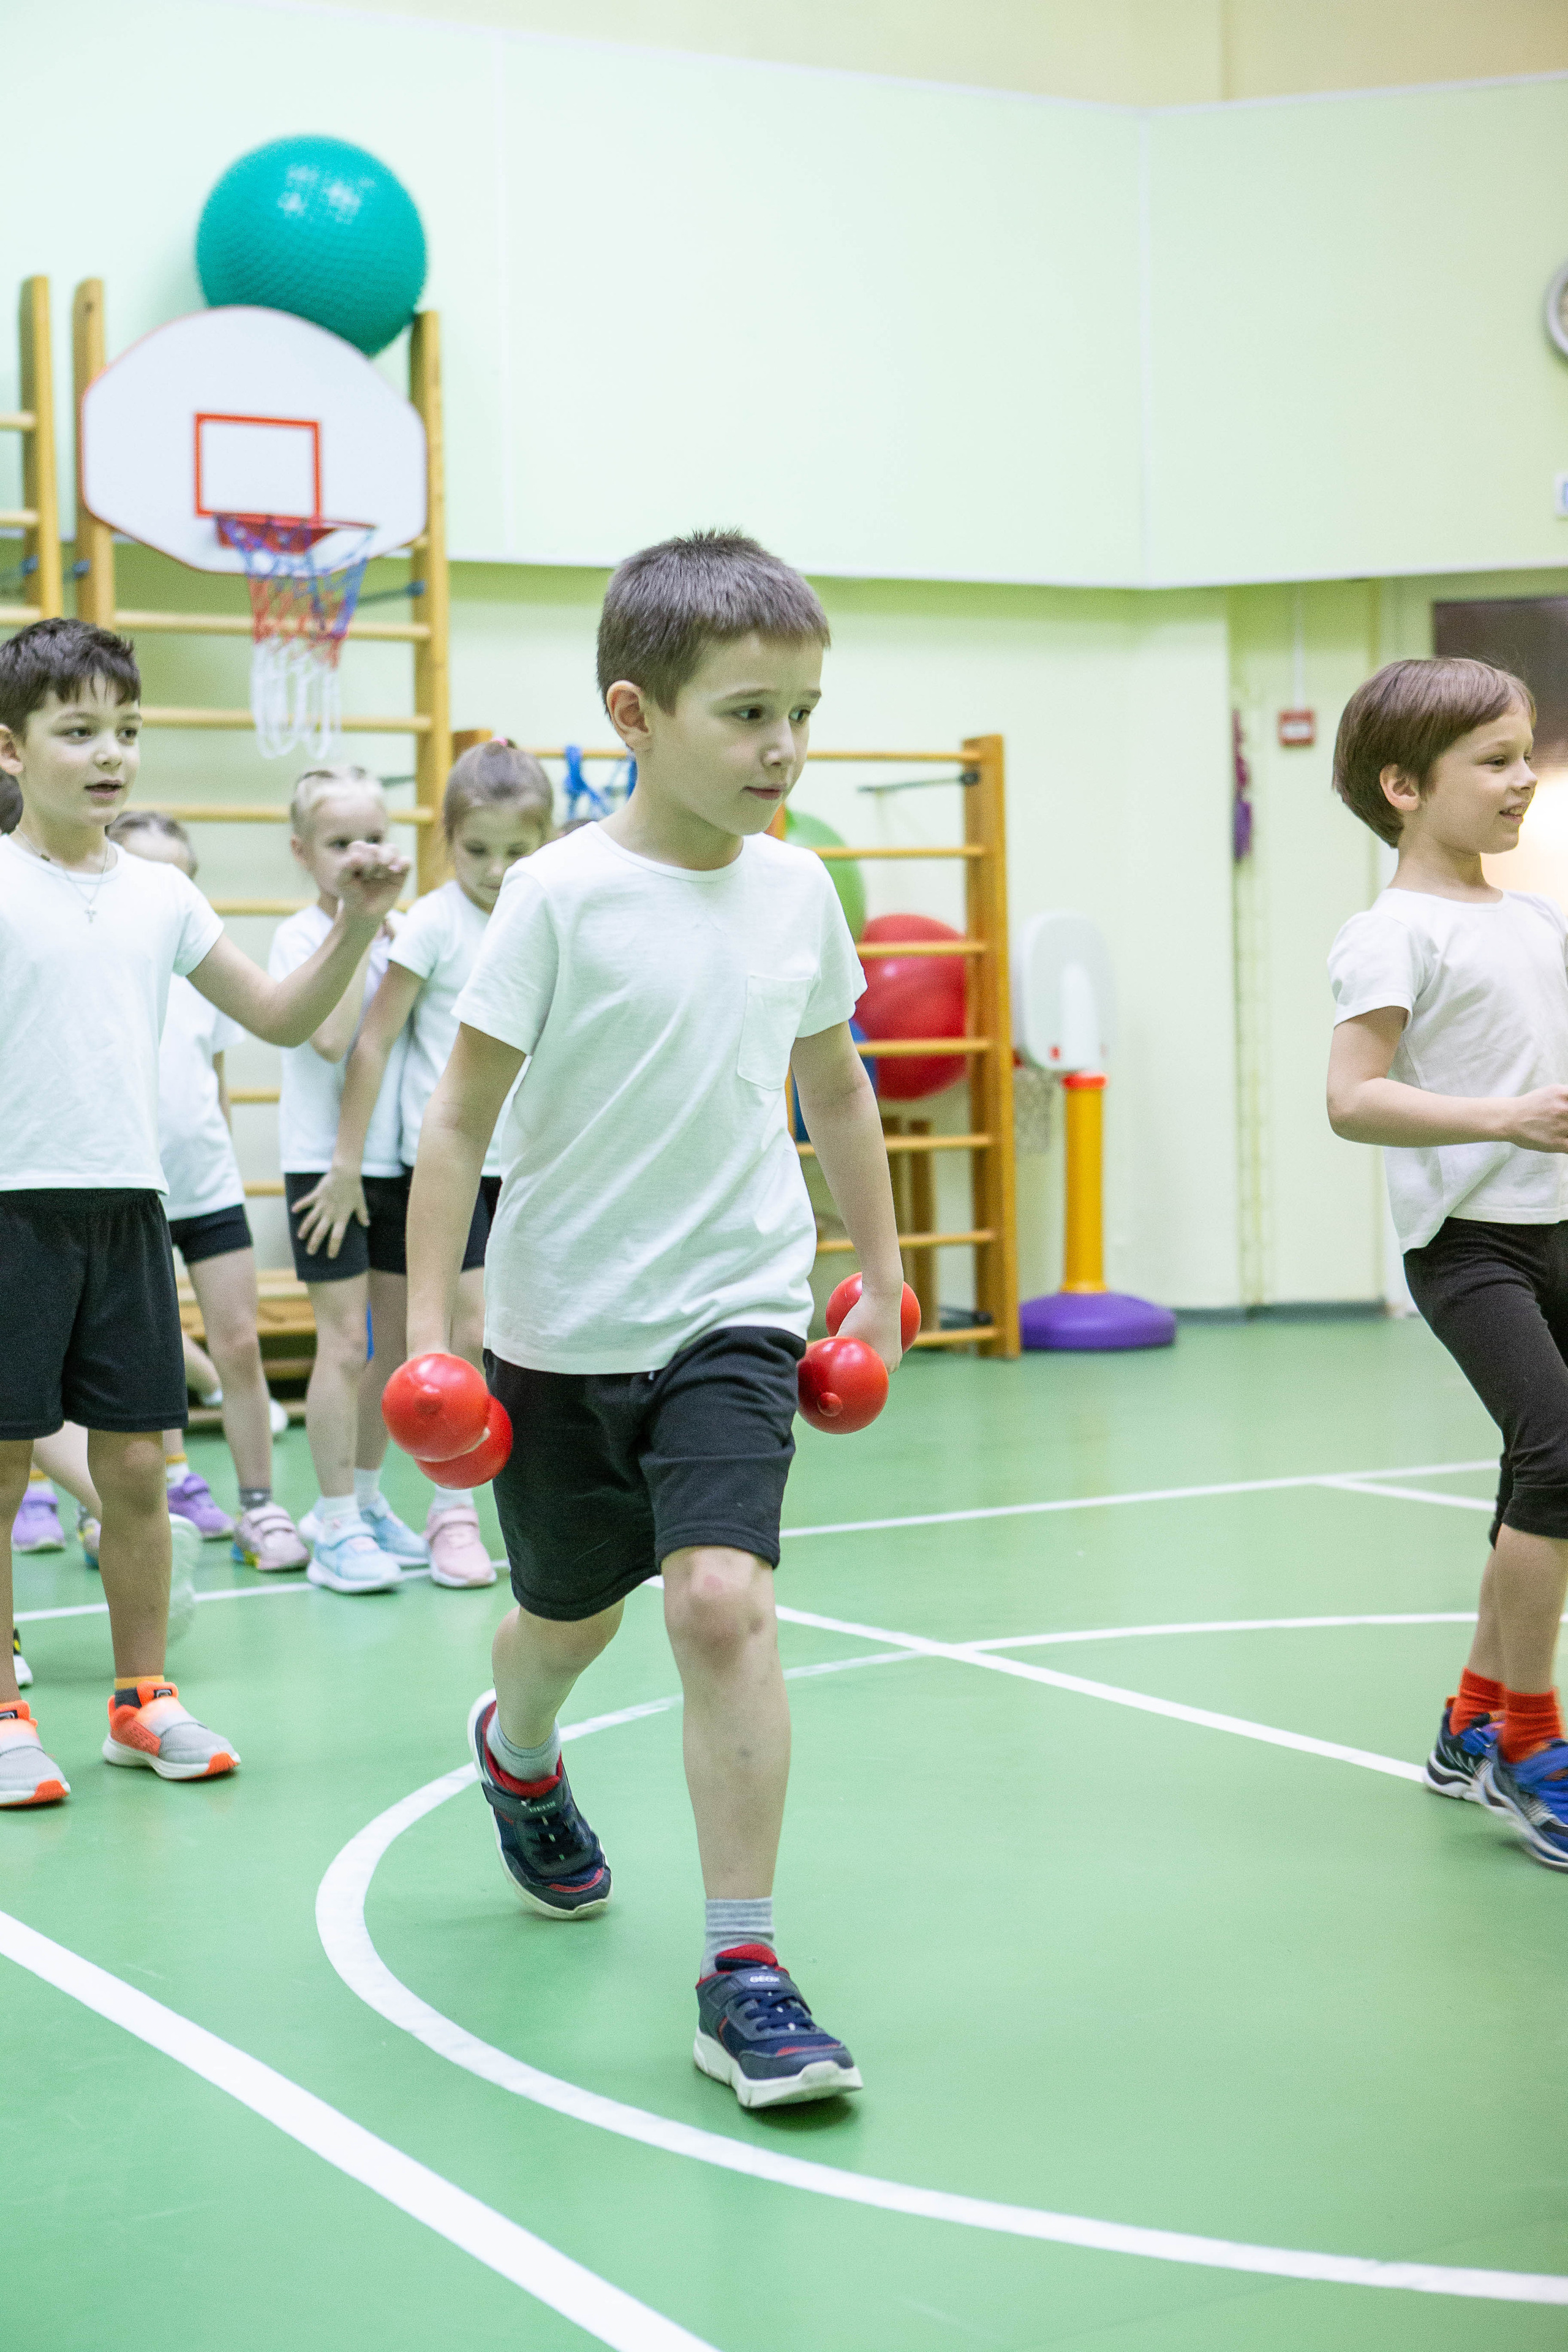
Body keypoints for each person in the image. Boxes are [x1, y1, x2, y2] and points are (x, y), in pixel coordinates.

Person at [404, 529, 905, 2107]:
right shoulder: (556, 897)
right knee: (566, 1620)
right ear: (635, 713)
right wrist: (428, 1330)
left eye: (802, 714)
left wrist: (883, 1277)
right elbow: (455, 1122)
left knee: (717, 1603)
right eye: (748, 714)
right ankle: (518, 1748)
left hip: (734, 1312)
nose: (783, 748)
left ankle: (741, 1969)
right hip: (561, 1329)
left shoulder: (796, 891)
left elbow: (834, 1088)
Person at [0, 617, 407, 1807]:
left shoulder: (162, 895)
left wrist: (359, 925)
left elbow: (279, 1016)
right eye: (79, 731)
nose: (110, 753)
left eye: (126, 730)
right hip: (11, 1211)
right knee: (5, 1466)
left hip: (130, 1209)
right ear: (12, 748)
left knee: (137, 1466)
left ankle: (142, 1701)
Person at [1327, 655, 1568, 1872]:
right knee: (1559, 1457)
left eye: (1524, 756)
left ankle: (1470, 1720)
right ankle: (1530, 1746)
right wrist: (1502, 1118)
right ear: (1403, 786)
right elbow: (1351, 1098)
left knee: (1535, 1476)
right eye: (1494, 760)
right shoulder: (1390, 933)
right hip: (1469, 1247)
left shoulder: (1536, 920)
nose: (1521, 780)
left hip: (1559, 1227)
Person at [292, 739, 553, 1587]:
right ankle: (451, 1512)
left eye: (516, 851)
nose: (496, 869)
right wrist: (344, 1160)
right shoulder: (433, 924)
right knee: (457, 1333)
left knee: (505, 1339)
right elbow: (369, 1045)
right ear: (446, 840)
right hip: (440, 1165)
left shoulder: (545, 915)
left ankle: (388, 1500)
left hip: (527, 1164)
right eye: (477, 850)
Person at [107, 810, 308, 1571]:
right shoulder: (109, 972)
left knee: (239, 1344)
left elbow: (214, 1090)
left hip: (209, 1189)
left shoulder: (205, 979)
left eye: (182, 876)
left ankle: (259, 1505)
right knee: (146, 1356)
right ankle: (166, 1487)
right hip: (135, 1192)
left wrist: (222, 1160)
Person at [271, 765, 426, 1595]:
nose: (360, 856)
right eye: (339, 844)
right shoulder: (303, 938)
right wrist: (358, 929)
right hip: (323, 1166)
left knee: (392, 1347)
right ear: (303, 853)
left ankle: (365, 1500)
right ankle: (331, 1520)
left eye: (373, 838)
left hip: (394, 1159)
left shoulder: (406, 932)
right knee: (343, 1345)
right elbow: (331, 1039)